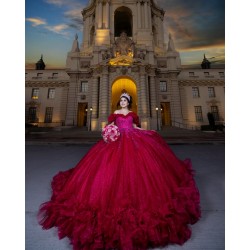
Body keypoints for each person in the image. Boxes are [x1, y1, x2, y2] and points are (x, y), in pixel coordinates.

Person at [38, 92, 201, 250]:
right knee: (106, 172)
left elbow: (136, 127)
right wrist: (108, 132)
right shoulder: (115, 113)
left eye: (125, 100)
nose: (122, 102)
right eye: (121, 100)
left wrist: (148, 131)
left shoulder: (132, 114)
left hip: (133, 139)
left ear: (128, 102)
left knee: (139, 171)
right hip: (117, 141)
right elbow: (109, 126)